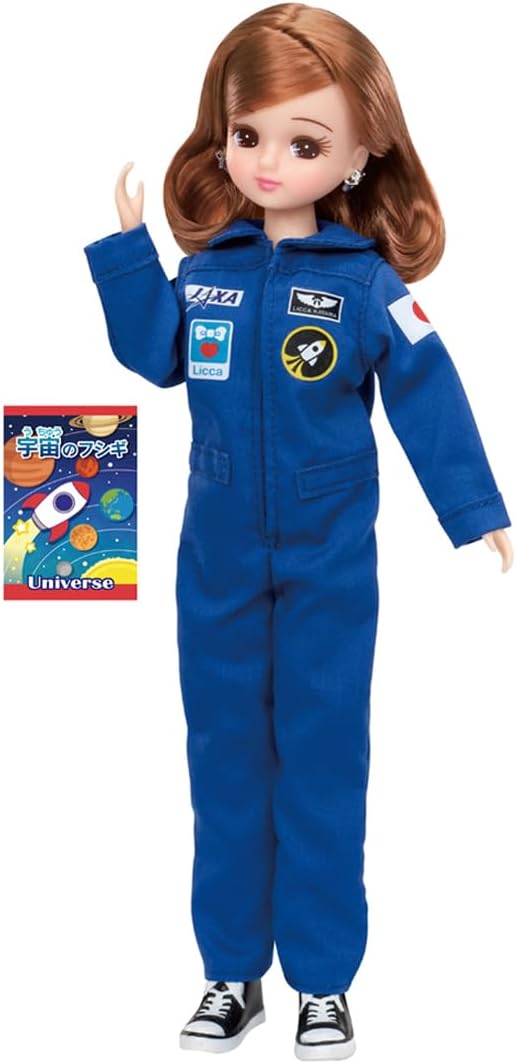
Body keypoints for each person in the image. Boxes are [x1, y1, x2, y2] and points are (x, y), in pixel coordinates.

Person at [83, 4, 513, 1059]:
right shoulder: (210, 273)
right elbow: (153, 356)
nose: (269, 161)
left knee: (323, 761)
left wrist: (478, 513)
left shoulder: (366, 286)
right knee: (224, 761)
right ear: (221, 136)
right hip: (217, 557)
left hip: (329, 564)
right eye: (248, 135)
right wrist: (132, 252)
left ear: (363, 152)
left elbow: (428, 395)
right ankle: (231, 972)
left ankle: (322, 981)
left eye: (305, 142)